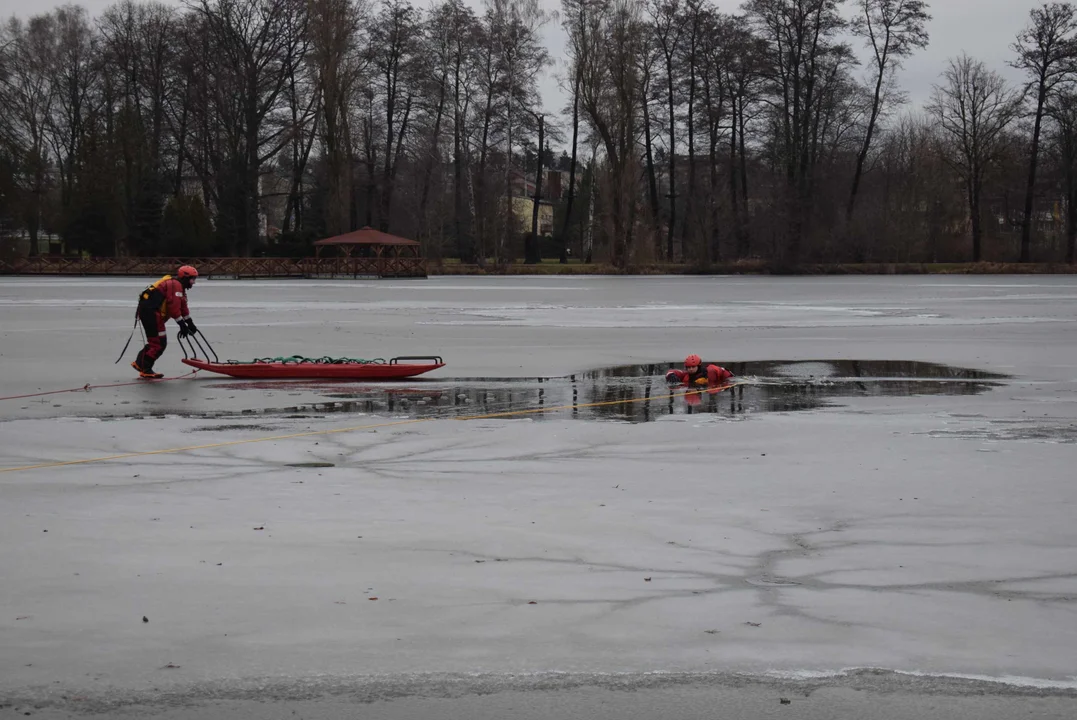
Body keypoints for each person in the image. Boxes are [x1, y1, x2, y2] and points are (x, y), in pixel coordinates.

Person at [131, 265, 200, 378]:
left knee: (156, 342)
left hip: (150, 313)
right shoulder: (175, 285)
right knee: (158, 343)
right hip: (151, 314)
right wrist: (182, 325)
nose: (193, 283)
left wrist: (190, 323)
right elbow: (173, 308)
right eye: (192, 279)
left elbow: (182, 306)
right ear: (185, 278)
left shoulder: (178, 286)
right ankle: (145, 369)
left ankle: (140, 364)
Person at [665, 354, 734, 386]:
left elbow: (724, 371)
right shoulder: (686, 375)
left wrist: (727, 382)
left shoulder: (710, 371)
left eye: (693, 367)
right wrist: (671, 375)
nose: (691, 369)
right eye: (688, 367)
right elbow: (672, 371)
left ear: (698, 365)